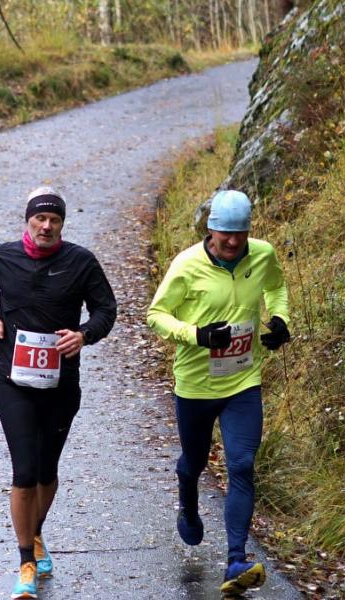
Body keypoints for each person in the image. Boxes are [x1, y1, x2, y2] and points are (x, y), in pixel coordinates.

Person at [0, 186, 117, 600]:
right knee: (24, 471)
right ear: (28, 221)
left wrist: (84, 335)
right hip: (12, 382)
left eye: (54, 220)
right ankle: (25, 564)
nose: (47, 226)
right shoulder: (1, 257)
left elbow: (107, 309)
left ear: (62, 225)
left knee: (48, 471)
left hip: (60, 384)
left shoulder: (81, 262)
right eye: (40, 219)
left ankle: (35, 533)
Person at [146, 189, 291, 598]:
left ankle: (236, 559)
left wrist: (280, 318)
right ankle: (187, 499)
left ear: (248, 231)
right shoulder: (187, 265)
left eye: (239, 234)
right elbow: (156, 315)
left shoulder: (262, 254)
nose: (232, 242)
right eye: (225, 235)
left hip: (243, 381)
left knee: (242, 464)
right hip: (195, 385)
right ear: (210, 230)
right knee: (193, 462)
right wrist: (198, 335)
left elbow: (276, 286)